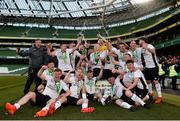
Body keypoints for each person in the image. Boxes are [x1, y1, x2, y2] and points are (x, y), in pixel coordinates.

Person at [5, 67, 70, 116]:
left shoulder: (62, 83)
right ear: (53, 74)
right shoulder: (49, 78)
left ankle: (44, 111)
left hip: (49, 100)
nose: (57, 75)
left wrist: (65, 94)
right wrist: (42, 69)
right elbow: (39, 75)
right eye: (56, 74)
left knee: (53, 100)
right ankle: (14, 107)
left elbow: (68, 92)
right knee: (31, 93)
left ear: (61, 75)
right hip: (42, 96)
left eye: (59, 74)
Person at [139, 37, 162, 104]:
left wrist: (146, 47)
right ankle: (151, 94)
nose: (139, 42)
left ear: (143, 41)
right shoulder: (141, 49)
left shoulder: (150, 45)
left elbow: (153, 51)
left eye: (139, 41)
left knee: (155, 81)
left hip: (154, 66)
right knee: (148, 81)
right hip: (147, 67)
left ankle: (160, 96)